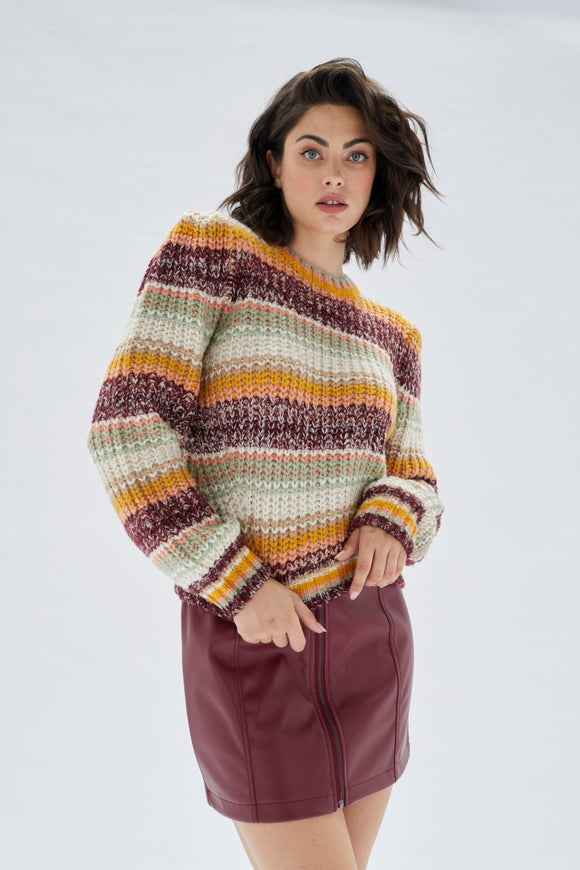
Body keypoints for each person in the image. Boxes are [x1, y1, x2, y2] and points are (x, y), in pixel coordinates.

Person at [87, 57, 444, 870]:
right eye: (312, 150)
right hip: (253, 633)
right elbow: (127, 431)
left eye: (357, 155)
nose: (334, 174)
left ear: (379, 175)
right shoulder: (214, 254)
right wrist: (239, 586)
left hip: (372, 636)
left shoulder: (393, 337)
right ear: (275, 163)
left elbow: (418, 480)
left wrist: (393, 517)